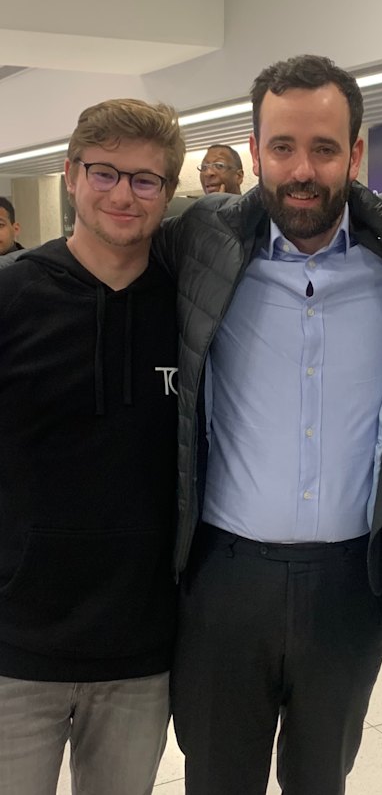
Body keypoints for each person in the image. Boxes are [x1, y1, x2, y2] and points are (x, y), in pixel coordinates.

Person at [153, 53, 382, 795]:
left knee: (323, 778)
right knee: (219, 777)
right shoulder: (202, 244)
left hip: (351, 581)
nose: (302, 169)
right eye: (282, 147)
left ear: (356, 152)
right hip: (225, 577)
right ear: (255, 153)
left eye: (324, 148)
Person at [0, 98, 185, 795]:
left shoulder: (188, 307)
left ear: (167, 193)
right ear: (71, 175)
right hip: (16, 646)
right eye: (105, 173)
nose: (123, 195)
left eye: (146, 180)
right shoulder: (12, 297)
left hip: (141, 650)